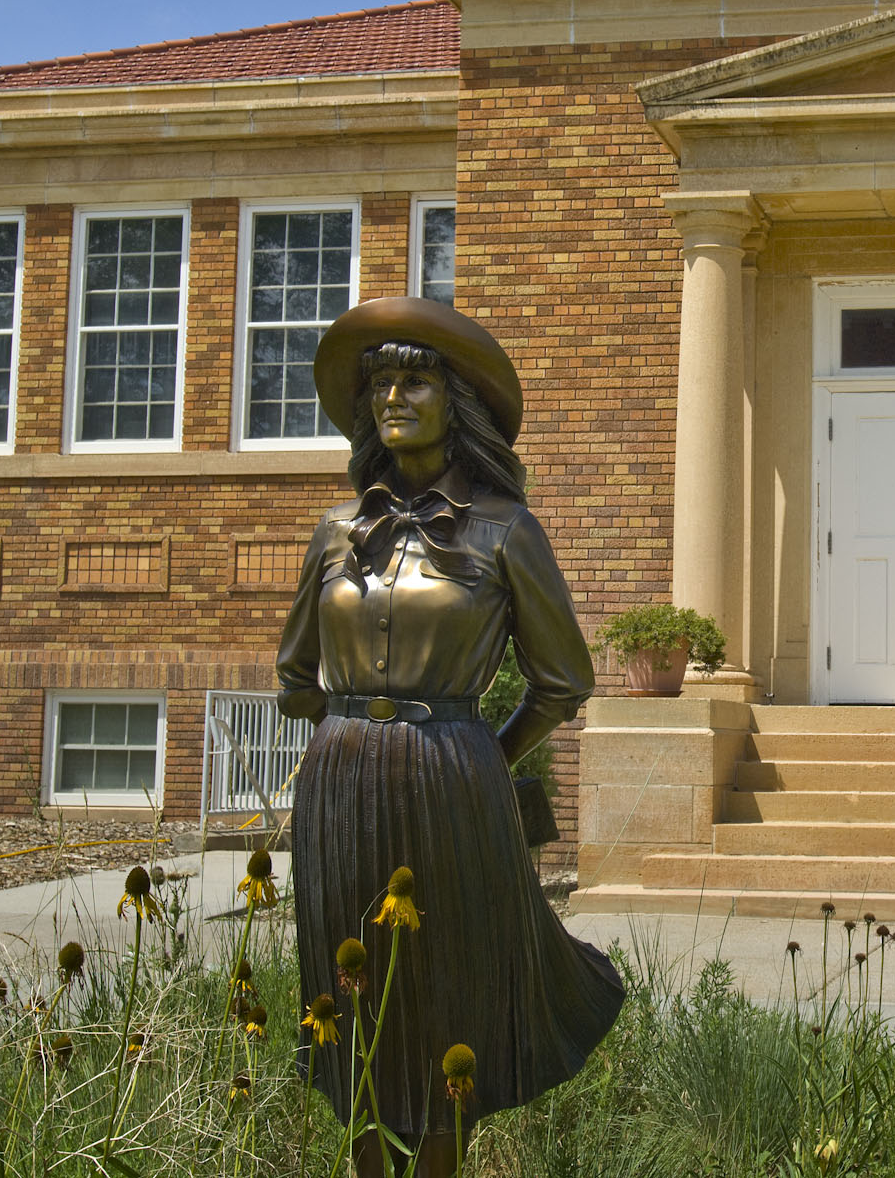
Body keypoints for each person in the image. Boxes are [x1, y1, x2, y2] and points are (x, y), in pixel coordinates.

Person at [277, 296, 624, 1175]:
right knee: (345, 986)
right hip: (340, 782)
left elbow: (563, 680)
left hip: (456, 779)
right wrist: (350, 744)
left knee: (446, 984)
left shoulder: (505, 531)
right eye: (380, 382)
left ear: (455, 399)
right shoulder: (335, 532)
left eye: (415, 379)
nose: (393, 396)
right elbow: (292, 676)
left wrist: (481, 757)